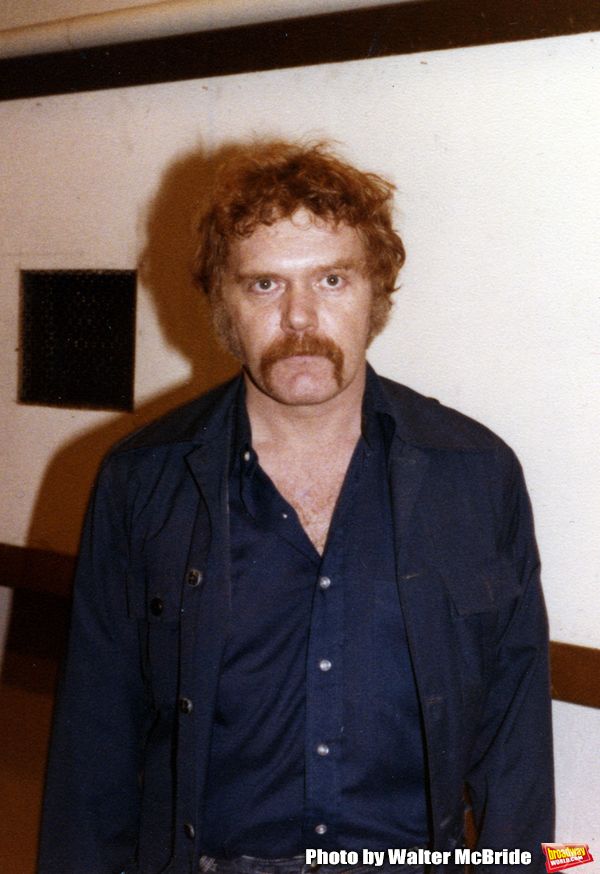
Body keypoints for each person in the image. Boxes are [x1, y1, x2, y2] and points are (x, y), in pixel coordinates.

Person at [38, 140, 554, 874]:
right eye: (264, 287)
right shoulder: (141, 481)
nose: (301, 319)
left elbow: (517, 742)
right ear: (223, 304)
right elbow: (92, 750)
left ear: (377, 292)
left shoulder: (476, 475)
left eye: (333, 279)